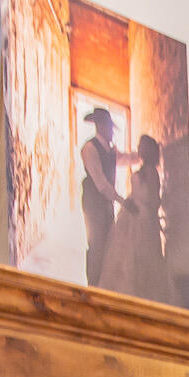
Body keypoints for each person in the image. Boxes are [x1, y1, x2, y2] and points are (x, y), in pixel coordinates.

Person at [102, 134, 173, 304]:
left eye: (142, 146)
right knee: (126, 255)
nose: (139, 149)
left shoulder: (152, 173)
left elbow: (153, 199)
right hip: (131, 217)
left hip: (143, 219)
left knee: (142, 255)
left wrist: (139, 206)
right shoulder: (142, 169)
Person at [79, 108, 127, 286]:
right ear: (100, 126)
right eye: (109, 127)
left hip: (106, 204)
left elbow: (126, 159)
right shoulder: (89, 149)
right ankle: (93, 284)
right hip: (93, 203)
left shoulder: (110, 151)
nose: (111, 132)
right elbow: (101, 184)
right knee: (96, 243)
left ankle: (103, 284)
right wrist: (122, 201)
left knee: (108, 242)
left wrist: (143, 156)